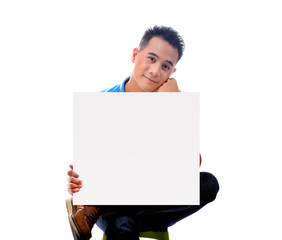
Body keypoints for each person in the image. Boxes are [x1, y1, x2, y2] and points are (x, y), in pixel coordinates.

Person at [66, 26, 220, 240]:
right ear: (135, 55)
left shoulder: (174, 99)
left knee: (208, 184)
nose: (155, 71)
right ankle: (107, 209)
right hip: (112, 197)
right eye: (151, 59)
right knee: (122, 221)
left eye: (166, 66)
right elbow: (89, 170)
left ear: (172, 72)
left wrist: (173, 107)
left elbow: (191, 166)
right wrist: (78, 183)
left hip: (151, 199)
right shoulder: (103, 101)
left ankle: (103, 209)